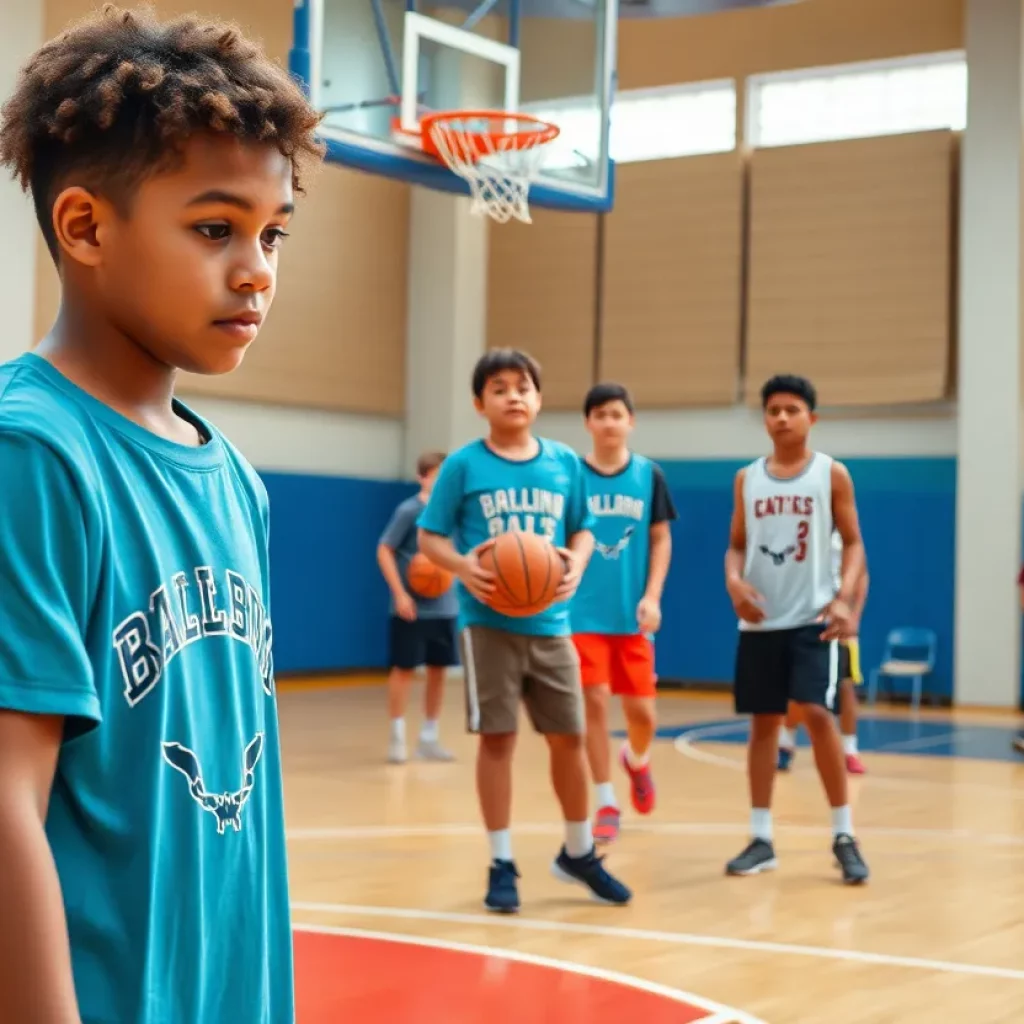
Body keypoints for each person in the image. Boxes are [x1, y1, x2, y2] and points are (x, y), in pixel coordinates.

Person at [0, 7, 323, 1021]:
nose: (257, 269)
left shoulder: (237, 483)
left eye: (273, 234)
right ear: (86, 227)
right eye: (216, 229)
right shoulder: (31, 454)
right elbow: (6, 799)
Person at [417, 349, 633, 913]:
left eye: (523, 387)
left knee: (570, 739)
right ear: (479, 403)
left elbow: (584, 528)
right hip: (488, 625)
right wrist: (463, 566)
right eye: (499, 388)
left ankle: (579, 852)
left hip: (552, 625)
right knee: (498, 740)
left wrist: (577, 562)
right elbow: (429, 538)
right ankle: (501, 861)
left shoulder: (563, 463)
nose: (512, 395)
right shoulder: (464, 465)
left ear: (538, 399)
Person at [724, 374, 870, 885]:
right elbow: (736, 545)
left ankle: (844, 834)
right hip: (761, 622)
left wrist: (843, 598)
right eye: (773, 410)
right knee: (764, 724)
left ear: (812, 417)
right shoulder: (747, 478)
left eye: (792, 409)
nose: (782, 417)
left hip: (813, 619)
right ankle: (761, 838)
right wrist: (734, 583)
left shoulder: (831, 474)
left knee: (815, 712)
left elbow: (854, 542)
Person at [571, 383, 677, 843]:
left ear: (630, 422)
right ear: (588, 424)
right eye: (600, 415)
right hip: (580, 614)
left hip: (632, 615)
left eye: (616, 414)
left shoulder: (649, 474)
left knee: (642, 715)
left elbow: (660, 538)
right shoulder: (572, 474)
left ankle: (637, 760)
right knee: (594, 702)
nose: (609, 422)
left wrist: (653, 596)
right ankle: (606, 801)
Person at [377, 451, 458, 763]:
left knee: (439, 671)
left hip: (445, 606)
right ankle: (397, 736)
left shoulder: (453, 512)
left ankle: (429, 737)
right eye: (436, 475)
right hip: (411, 607)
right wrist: (399, 594)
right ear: (422, 477)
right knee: (404, 669)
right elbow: (384, 549)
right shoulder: (409, 510)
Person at [778, 528, 869, 775]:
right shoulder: (798, 530)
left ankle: (850, 750)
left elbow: (861, 575)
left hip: (838, 622)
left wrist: (854, 616)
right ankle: (785, 743)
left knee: (846, 686)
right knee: (797, 689)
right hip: (804, 620)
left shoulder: (845, 535)